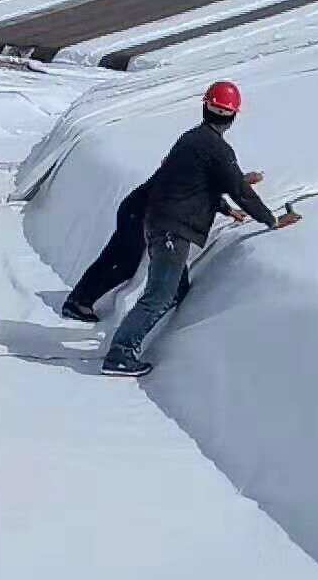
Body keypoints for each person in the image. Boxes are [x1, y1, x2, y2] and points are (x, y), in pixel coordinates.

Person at [100, 81, 300, 376]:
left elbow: (197, 184)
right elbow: (239, 190)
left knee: (177, 290)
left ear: (205, 107)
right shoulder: (217, 149)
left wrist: (224, 208)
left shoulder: (190, 140)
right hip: (173, 231)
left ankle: (149, 340)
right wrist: (271, 220)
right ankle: (120, 354)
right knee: (159, 296)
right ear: (233, 116)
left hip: (159, 223)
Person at [61, 172, 259, 323]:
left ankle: (78, 299)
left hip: (134, 208)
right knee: (124, 266)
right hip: (140, 214)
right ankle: (81, 301)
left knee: (110, 257)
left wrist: (233, 194)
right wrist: (230, 205)